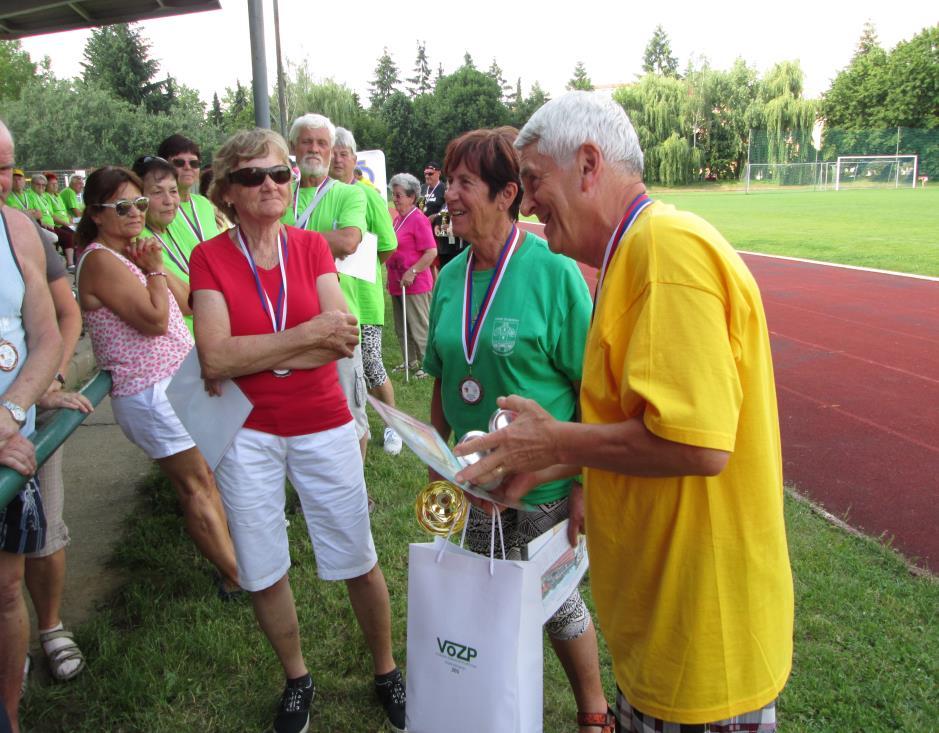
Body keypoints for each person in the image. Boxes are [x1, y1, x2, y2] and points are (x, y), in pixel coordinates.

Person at [455, 92, 794, 732]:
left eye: (532, 181)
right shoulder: (638, 252)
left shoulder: (666, 253)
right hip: (670, 627)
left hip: (701, 639)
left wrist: (556, 444)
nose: (525, 204)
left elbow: (699, 445)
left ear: (588, 165)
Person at [191, 128, 406, 733]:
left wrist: (254, 350)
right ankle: (297, 678)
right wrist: (301, 339)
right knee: (262, 566)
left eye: (280, 174)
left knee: (358, 555)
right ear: (228, 190)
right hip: (248, 433)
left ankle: (386, 670)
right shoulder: (210, 257)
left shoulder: (311, 248)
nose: (270, 184)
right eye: (253, 176)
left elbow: (340, 336)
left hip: (322, 423)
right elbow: (214, 359)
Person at [424, 127, 612, 733]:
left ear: (507, 195)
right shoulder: (451, 277)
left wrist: (583, 479)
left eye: (464, 183)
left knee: (554, 604)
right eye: (448, 181)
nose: (449, 195)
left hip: (543, 487)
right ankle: (491, 702)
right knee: (485, 594)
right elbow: (443, 379)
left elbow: (593, 392)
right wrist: (436, 455)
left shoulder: (554, 271)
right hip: (471, 482)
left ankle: (595, 712)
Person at [74, 166, 240, 602]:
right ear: (95, 213)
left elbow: (187, 300)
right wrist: (153, 271)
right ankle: (238, 578)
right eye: (123, 206)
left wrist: (155, 264)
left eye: (139, 204)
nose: (135, 213)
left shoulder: (136, 250)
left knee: (210, 474)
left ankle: (234, 568)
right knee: (194, 485)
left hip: (179, 379)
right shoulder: (100, 260)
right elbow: (154, 320)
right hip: (149, 391)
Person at [0, 119, 64, 733]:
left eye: (6, 168)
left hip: (10, 442)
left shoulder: (18, 228)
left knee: (5, 585)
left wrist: (14, 409)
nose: (1, 183)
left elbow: (46, 336)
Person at [23, 222, 93, 684]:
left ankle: (49, 626)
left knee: (45, 527)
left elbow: (66, 315)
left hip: (32, 410)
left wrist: (53, 377)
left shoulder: (19, 229)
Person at [281, 114, 372, 459]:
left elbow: (349, 241)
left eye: (322, 143)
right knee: (299, 412)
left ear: (333, 150)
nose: (314, 149)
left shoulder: (349, 194)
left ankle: (355, 494)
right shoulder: (280, 193)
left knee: (349, 411)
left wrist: (282, 240)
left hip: (339, 322)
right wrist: (319, 243)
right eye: (307, 141)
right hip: (288, 322)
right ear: (293, 147)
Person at [329, 127, 403, 457]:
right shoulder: (323, 194)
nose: (336, 160)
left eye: (342, 154)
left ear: (354, 160)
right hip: (333, 297)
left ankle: (394, 427)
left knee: (371, 366)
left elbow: (388, 245)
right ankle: (361, 424)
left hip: (365, 300)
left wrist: (364, 265)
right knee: (344, 370)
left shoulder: (369, 195)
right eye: (332, 153)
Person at [131, 155, 194, 333]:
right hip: (183, 351)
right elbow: (190, 303)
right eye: (157, 192)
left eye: (173, 191)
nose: (169, 201)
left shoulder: (175, 225)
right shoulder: (138, 240)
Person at [386, 173, 436, 379]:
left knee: (418, 325)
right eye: (394, 195)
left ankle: (427, 363)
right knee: (401, 326)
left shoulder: (419, 220)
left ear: (411, 197)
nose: (395, 199)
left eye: (399, 195)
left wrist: (413, 270)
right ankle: (410, 360)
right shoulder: (398, 219)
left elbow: (431, 252)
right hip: (397, 281)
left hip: (414, 283)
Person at [156, 134, 221, 251]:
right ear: (163, 166)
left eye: (194, 163)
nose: (188, 167)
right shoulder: (159, 207)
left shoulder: (204, 204)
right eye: (179, 163)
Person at [41, 173, 76, 272]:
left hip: (65, 223)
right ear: (47, 185)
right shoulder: (46, 196)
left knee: (78, 232)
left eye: (56, 184)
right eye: (52, 184)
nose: (55, 186)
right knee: (69, 235)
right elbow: (51, 214)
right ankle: (70, 263)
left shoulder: (58, 196)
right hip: (58, 224)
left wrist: (69, 219)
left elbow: (64, 211)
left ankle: (75, 259)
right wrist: (66, 224)